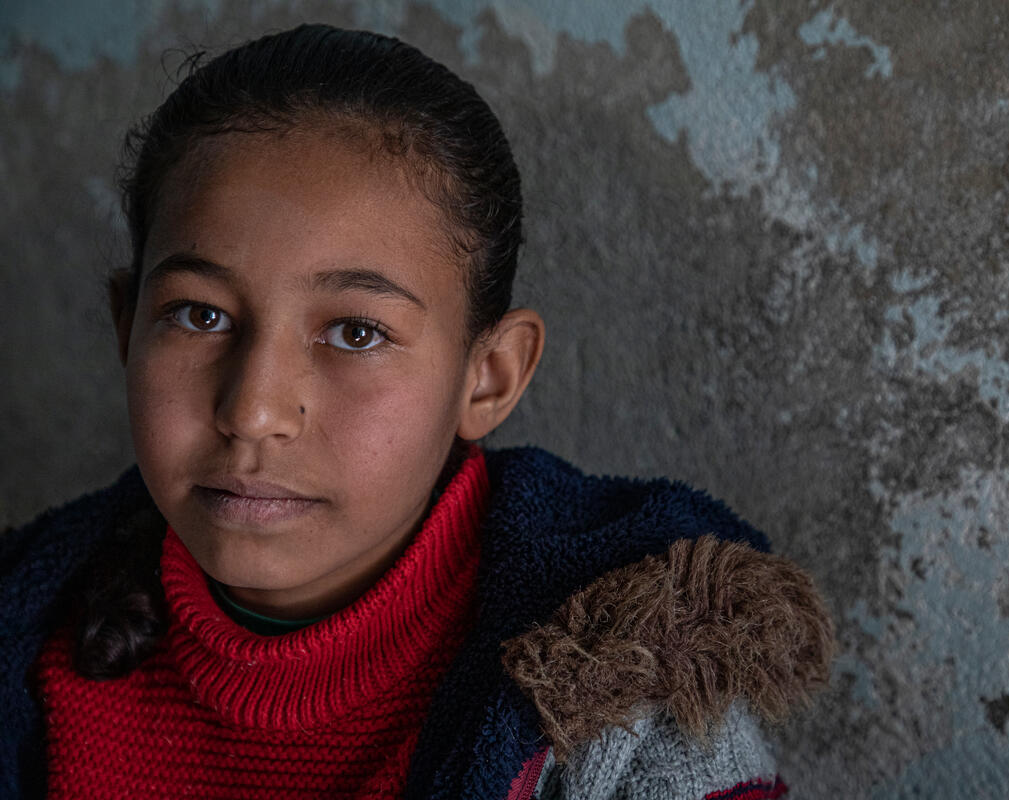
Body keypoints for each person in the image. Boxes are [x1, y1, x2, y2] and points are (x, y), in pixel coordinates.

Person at [0, 23, 833, 799]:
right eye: (199, 314)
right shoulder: (26, 649)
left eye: (356, 332)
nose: (253, 412)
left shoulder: (625, 709)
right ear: (126, 327)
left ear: (489, 378)